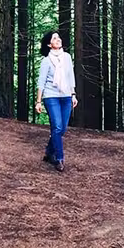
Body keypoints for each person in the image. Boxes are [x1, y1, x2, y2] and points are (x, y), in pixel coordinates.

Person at [35, 30, 77, 172]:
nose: (58, 39)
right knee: (57, 127)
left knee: (62, 128)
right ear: (49, 44)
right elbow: (41, 82)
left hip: (66, 96)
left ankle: (48, 151)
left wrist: (73, 94)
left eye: (59, 37)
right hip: (51, 96)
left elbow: (70, 77)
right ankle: (59, 159)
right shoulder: (46, 61)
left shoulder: (67, 57)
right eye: (54, 38)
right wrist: (38, 101)